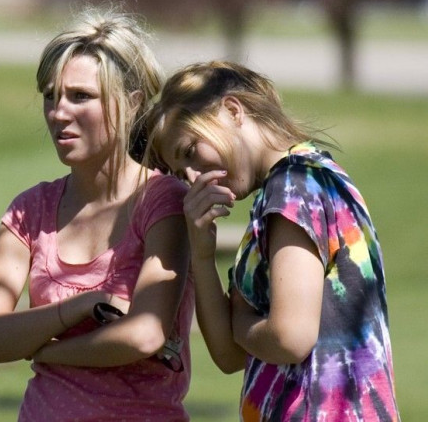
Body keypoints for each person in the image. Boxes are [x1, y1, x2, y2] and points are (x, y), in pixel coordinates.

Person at [0, 8, 195, 421]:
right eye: (51, 95)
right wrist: (81, 307)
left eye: (80, 96)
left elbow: (144, 334)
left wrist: (48, 349)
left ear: (131, 102)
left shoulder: (163, 202)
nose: (58, 112)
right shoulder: (29, 211)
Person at [145, 60, 400, 421]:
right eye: (179, 171)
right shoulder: (301, 183)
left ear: (233, 111)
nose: (190, 176)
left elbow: (289, 337)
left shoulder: (293, 186)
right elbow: (229, 356)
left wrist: (240, 324)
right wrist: (202, 255)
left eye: (190, 151)